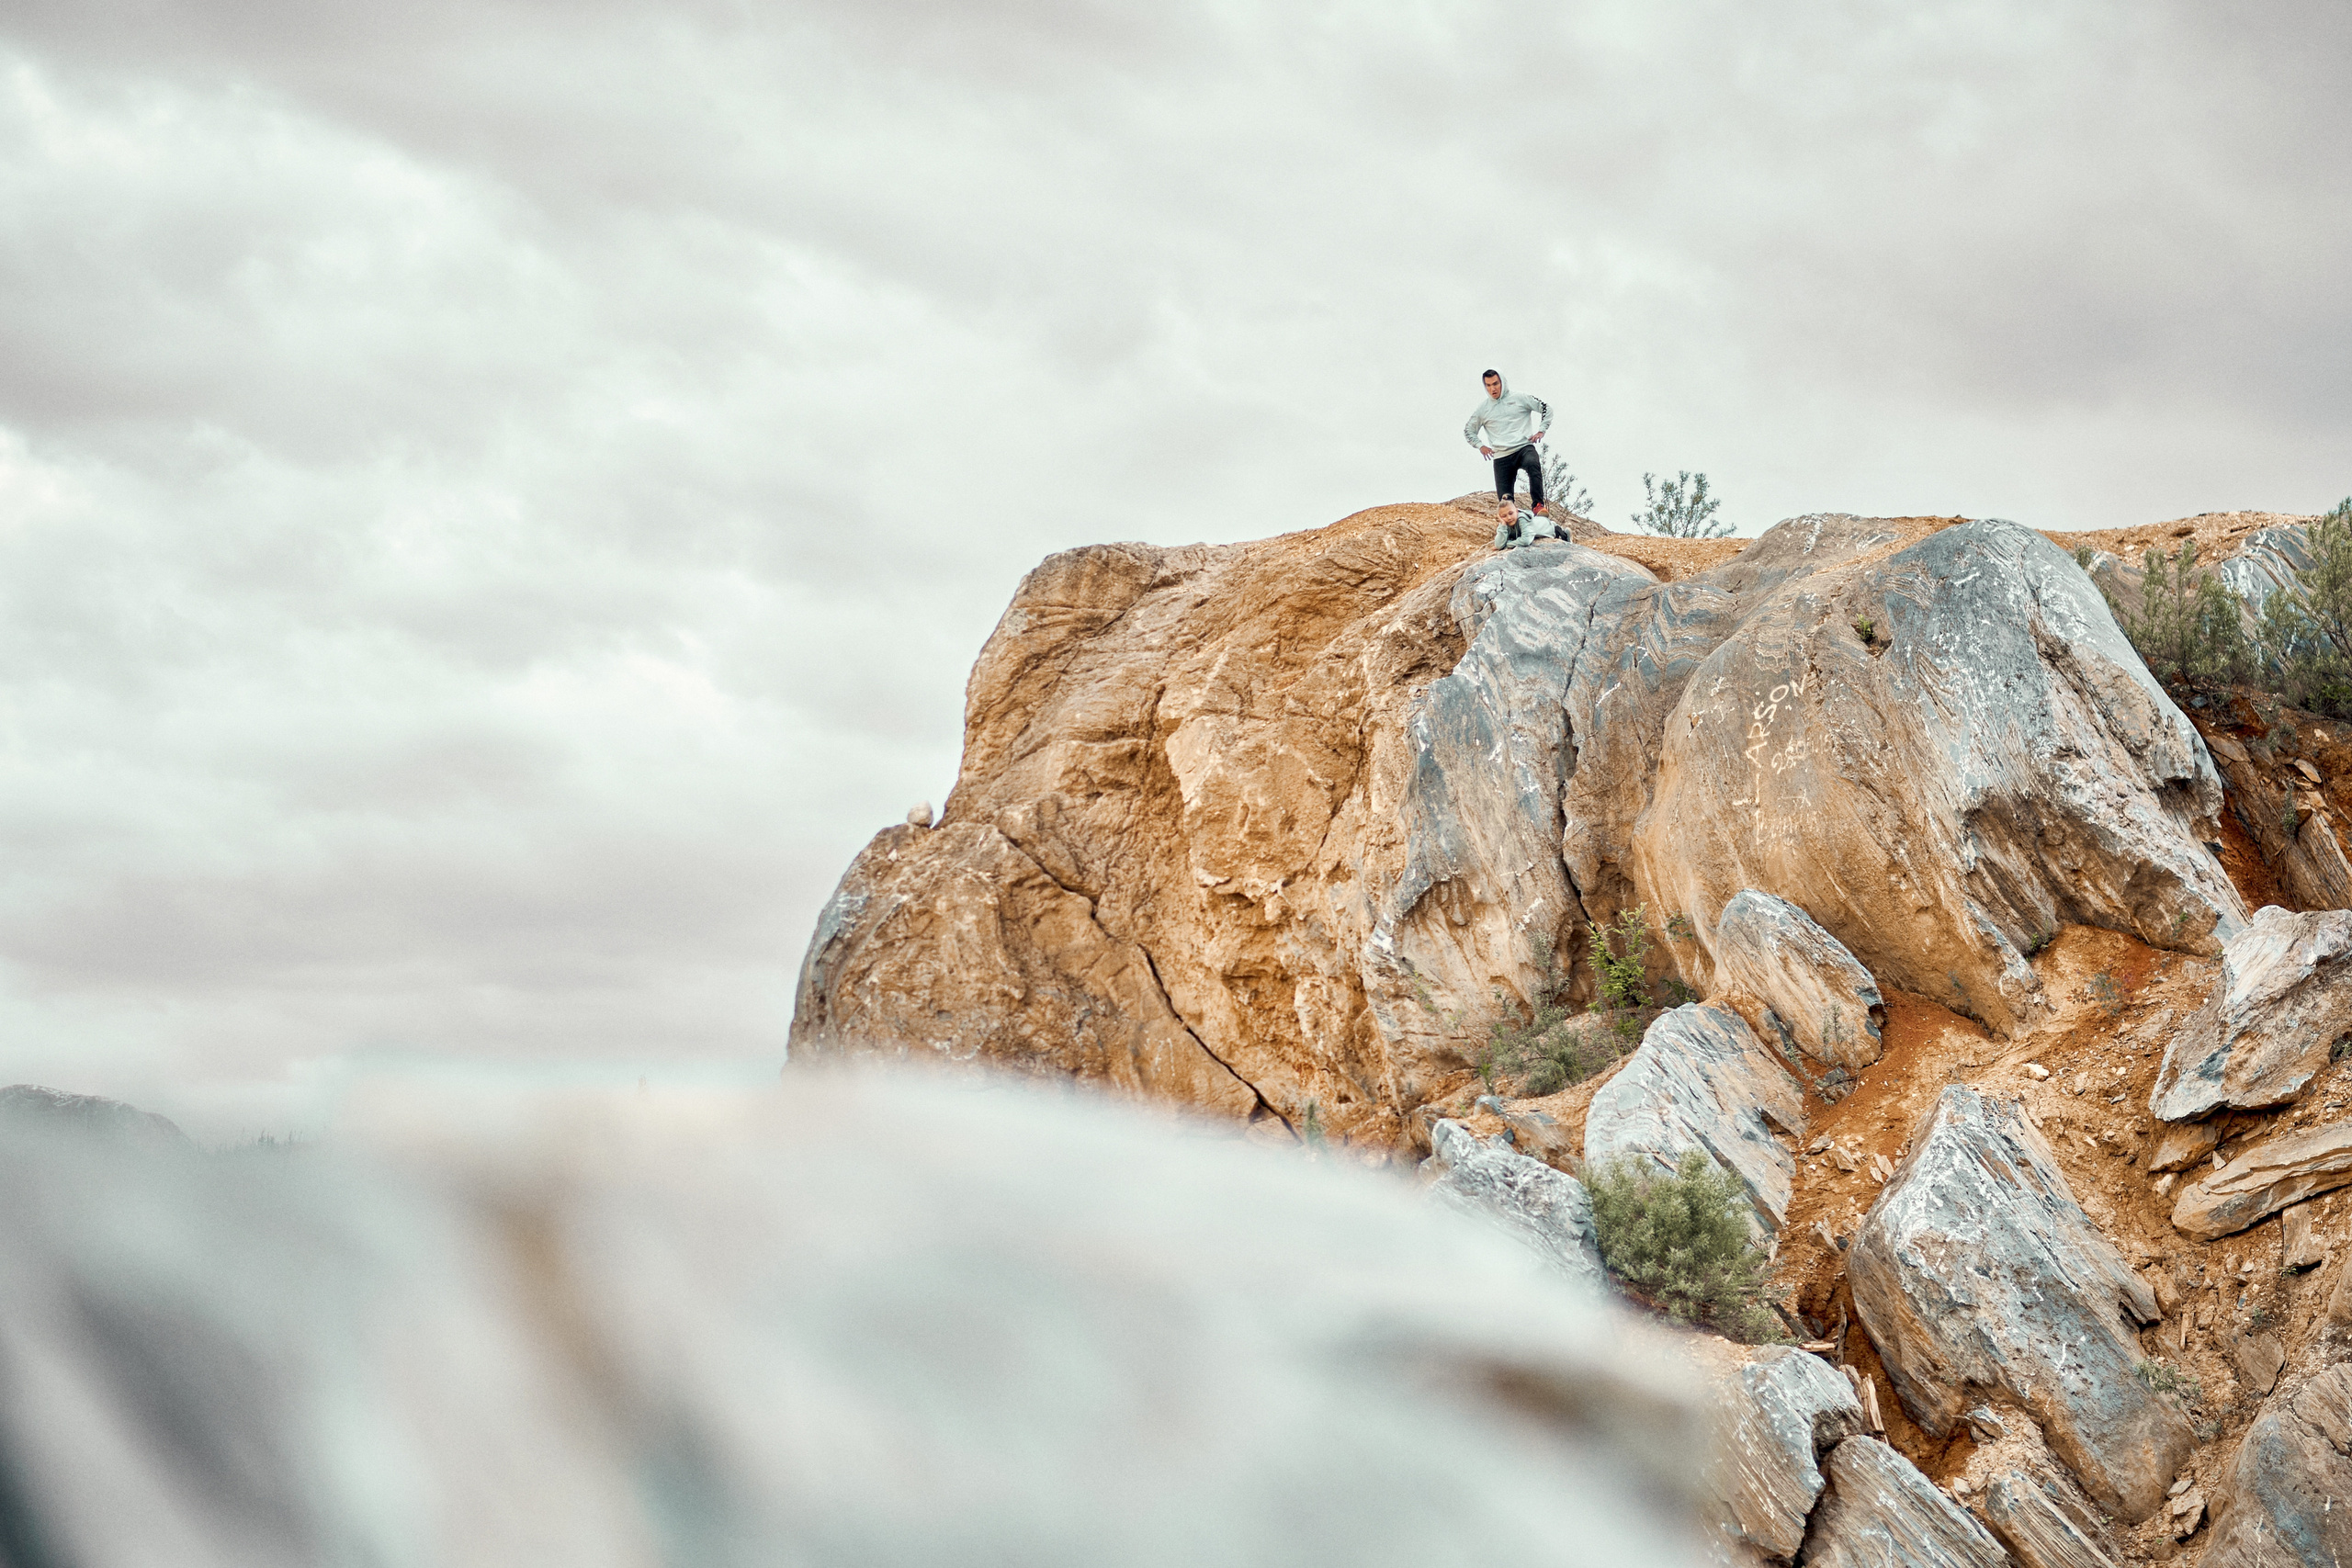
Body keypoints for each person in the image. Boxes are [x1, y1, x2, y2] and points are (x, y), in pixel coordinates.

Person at [1464, 369, 1551, 513]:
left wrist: (1542, 430)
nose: (1493, 388)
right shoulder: (1483, 409)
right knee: (1505, 503)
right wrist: (1480, 446)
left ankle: (1538, 505)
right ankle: (1514, 522)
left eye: (1496, 384)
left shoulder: (1520, 398)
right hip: (1502, 456)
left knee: (1533, 464)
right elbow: (1468, 430)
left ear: (1502, 382)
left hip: (1523, 447)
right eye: (1488, 385)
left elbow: (1546, 408)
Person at [1490, 498, 1563, 551]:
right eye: (1504, 516)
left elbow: (1526, 540)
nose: (1509, 518)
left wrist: (1508, 544)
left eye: (1511, 513)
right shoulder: (1504, 524)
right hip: (1537, 527)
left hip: (1550, 527)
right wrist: (1503, 525)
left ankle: (1565, 534)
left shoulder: (1522, 518)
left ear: (1516, 511)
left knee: (1561, 538)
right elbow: (1499, 545)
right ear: (1500, 517)